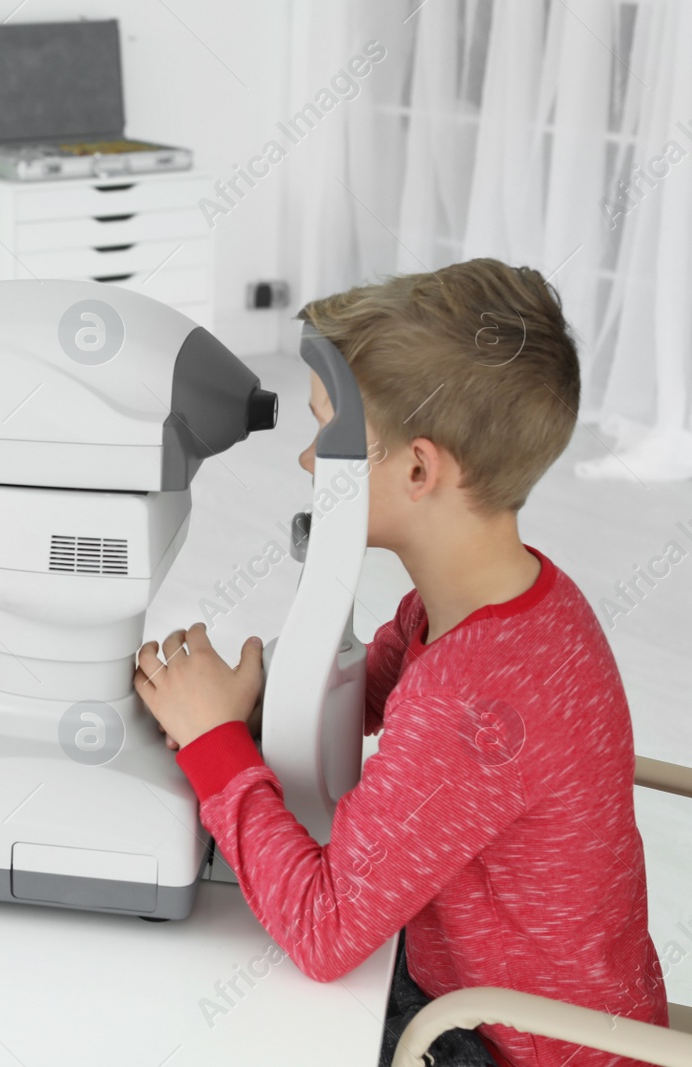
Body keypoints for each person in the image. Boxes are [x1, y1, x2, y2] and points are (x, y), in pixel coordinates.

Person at [132, 259, 668, 1067]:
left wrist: (213, 741)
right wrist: (253, 699)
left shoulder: (479, 696)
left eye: (330, 438)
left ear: (419, 470)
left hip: (507, 1044)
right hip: (519, 1001)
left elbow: (323, 929)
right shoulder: (497, 603)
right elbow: (369, 689)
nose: (310, 462)